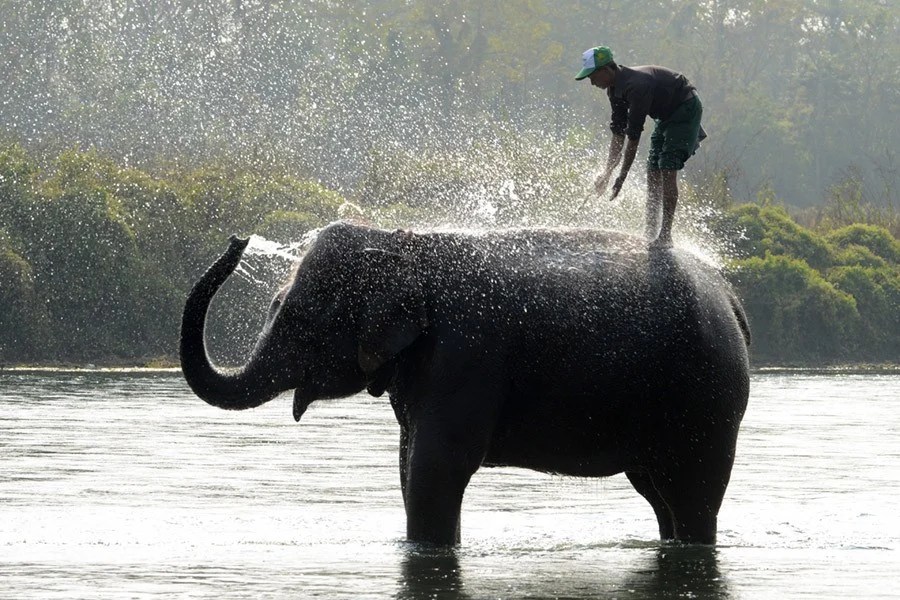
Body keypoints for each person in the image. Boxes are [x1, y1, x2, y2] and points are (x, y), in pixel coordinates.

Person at [576, 46, 706, 247]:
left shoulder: (636, 86)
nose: (592, 82)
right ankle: (650, 230)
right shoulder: (613, 91)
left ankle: (665, 235)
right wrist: (607, 173)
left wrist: (622, 177)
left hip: (685, 108)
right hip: (664, 116)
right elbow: (618, 135)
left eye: (593, 76)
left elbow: (633, 138)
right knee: (653, 169)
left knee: (667, 166)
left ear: (607, 70)